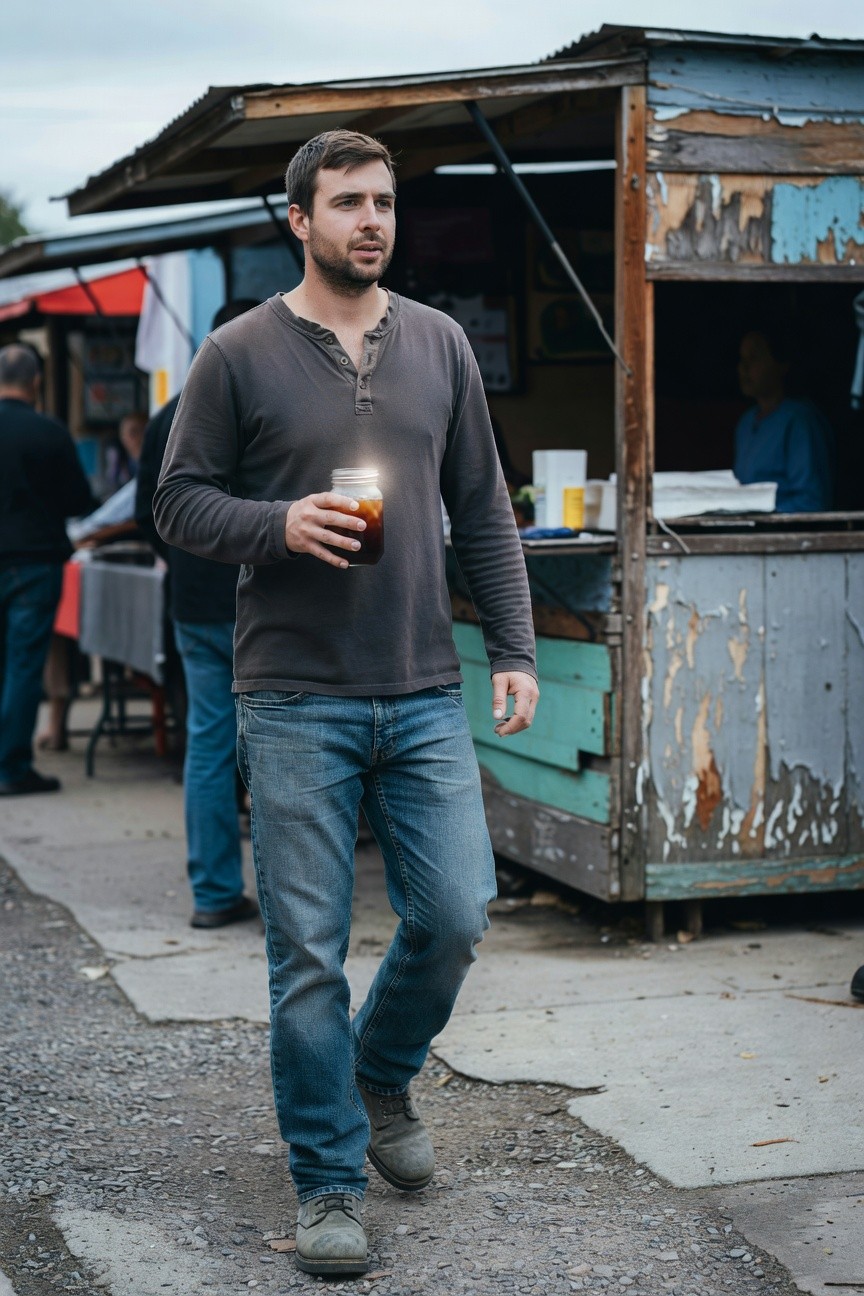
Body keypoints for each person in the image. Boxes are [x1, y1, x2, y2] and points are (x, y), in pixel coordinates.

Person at [154, 129, 539, 1277]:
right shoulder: (235, 354)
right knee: (307, 952)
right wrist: (277, 525)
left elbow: (484, 508)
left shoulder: (442, 344)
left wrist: (512, 645)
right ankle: (327, 1179)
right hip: (292, 699)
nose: (372, 221)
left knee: (460, 909)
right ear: (299, 220)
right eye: (347, 204)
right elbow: (176, 503)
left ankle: (380, 1071)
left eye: (383, 203)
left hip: (422, 685)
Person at [135, 300, 260, 930]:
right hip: (259, 603)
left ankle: (213, 892)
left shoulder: (165, 417)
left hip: (192, 602)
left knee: (209, 744)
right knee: (280, 749)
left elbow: (148, 518)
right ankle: (296, 904)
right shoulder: (270, 402)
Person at [0, 344, 96, 796]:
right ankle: (12, 767)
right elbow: (79, 501)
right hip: (34, 562)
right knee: (23, 666)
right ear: (36, 382)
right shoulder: (49, 433)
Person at [733, 327, 834, 512]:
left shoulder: (798, 420)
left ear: (781, 365)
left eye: (754, 358)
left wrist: (764, 517)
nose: (744, 368)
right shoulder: (746, 423)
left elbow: (811, 501)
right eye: (742, 359)